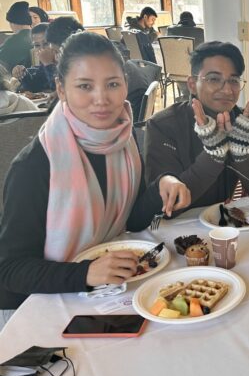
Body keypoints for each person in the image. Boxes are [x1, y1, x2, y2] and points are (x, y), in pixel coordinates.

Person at [0, 32, 191, 310]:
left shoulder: (123, 137)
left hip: (103, 293)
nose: (101, 99)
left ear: (126, 84)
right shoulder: (35, 165)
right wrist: (86, 273)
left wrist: (161, 185)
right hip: (36, 304)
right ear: (62, 89)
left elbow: (133, 220)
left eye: (112, 84)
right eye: (85, 86)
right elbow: (10, 270)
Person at [144, 41, 249, 211]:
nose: (227, 90)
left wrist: (243, 154)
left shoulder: (244, 125)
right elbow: (167, 205)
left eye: (234, 80)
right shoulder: (163, 125)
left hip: (226, 227)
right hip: (181, 231)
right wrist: (213, 156)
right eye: (214, 79)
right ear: (192, 85)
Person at [11, 23, 54, 93]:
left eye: (46, 44)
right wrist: (24, 74)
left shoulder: (64, 61)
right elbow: (35, 87)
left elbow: (58, 88)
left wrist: (48, 64)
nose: (42, 49)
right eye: (37, 45)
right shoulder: (43, 64)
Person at [0, 1, 33, 72]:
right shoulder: (35, 35)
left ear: (13, 22)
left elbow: (2, 61)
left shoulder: (15, 40)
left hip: (15, 78)